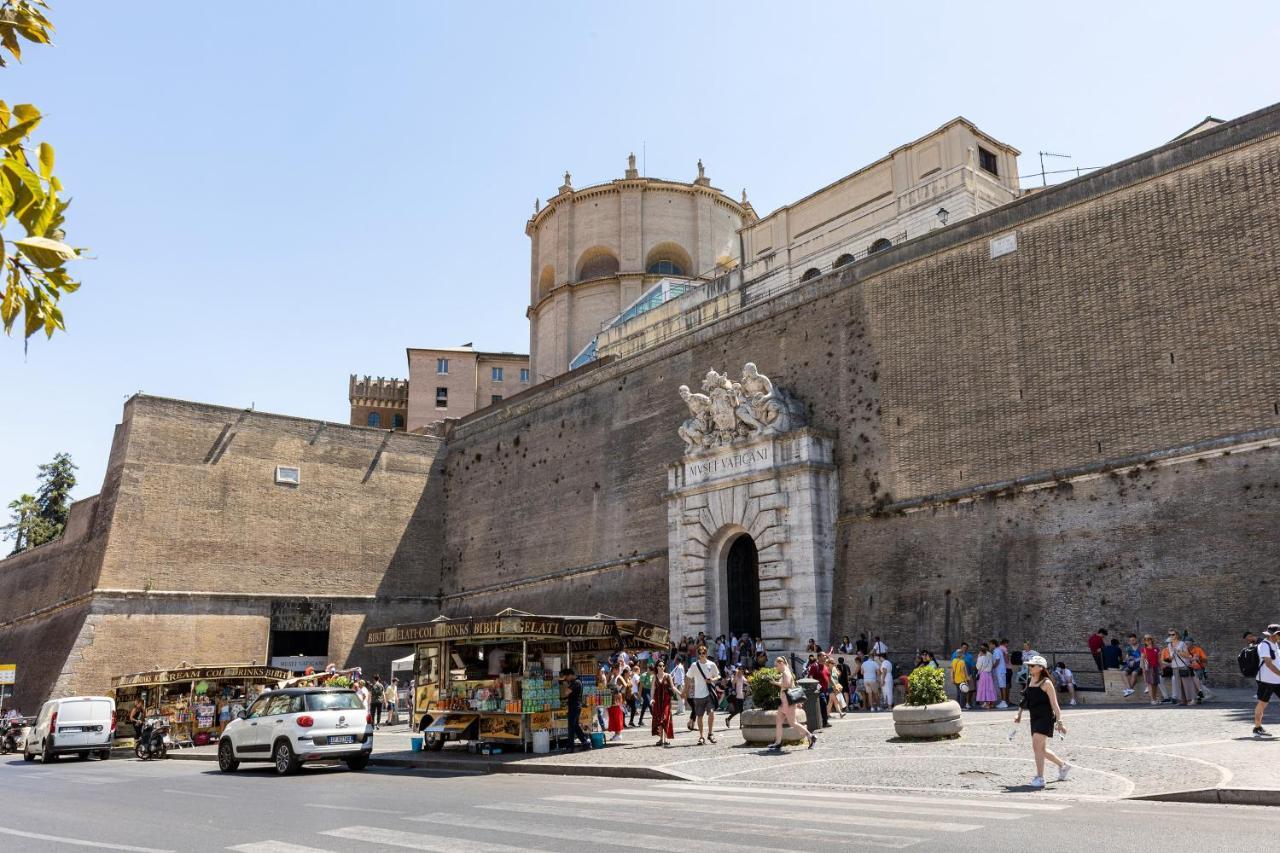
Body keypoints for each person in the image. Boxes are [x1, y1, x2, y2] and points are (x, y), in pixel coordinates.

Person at [1013, 655, 1070, 788]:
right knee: (1040, 749)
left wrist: (1060, 722)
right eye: (1029, 665)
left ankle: (1040, 778)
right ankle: (1063, 766)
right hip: (1034, 718)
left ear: (1040, 668)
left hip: (1045, 718)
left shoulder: (1046, 683)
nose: (1030, 667)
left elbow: (1055, 704)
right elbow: (1025, 699)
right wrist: (1019, 714)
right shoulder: (1029, 680)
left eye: (1032, 665)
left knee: (1036, 746)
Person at [768, 656, 816, 750]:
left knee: (793, 723)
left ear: (781, 663)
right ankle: (777, 742)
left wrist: (775, 683)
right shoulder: (786, 672)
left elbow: (787, 685)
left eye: (776, 665)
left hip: (787, 701)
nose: (776, 667)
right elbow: (791, 685)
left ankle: (811, 736)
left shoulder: (786, 672)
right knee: (779, 721)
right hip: (786, 701)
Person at [685, 645, 722, 745]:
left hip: (709, 693)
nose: (702, 655)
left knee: (711, 713)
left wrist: (712, 680)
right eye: (700, 653)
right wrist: (685, 691)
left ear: (706, 653)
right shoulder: (694, 665)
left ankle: (710, 734)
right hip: (698, 694)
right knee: (700, 716)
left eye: (704, 653)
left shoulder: (712, 664)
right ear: (698, 654)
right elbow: (688, 677)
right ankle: (701, 737)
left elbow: (718, 675)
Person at [1253, 624, 1280, 737]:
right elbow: (1268, 663)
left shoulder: (1276, 645)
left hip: (1277, 680)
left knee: (1263, 703)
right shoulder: (1264, 645)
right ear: (1274, 635)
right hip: (1266, 680)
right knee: (1263, 703)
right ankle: (1257, 727)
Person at [560, 668, 592, 752]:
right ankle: (585, 743)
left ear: (570, 675)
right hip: (574, 706)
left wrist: (564, 683)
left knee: (571, 726)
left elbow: (566, 692)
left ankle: (570, 747)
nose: (566, 679)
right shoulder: (575, 682)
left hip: (575, 707)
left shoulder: (576, 682)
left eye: (566, 677)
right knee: (575, 726)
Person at [1165, 629, 1198, 706]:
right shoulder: (1169, 645)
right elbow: (1171, 657)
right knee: (1178, 684)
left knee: (1187, 683)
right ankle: (1183, 700)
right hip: (1175, 666)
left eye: (1173, 634)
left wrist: (1179, 652)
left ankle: (1192, 699)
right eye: (1170, 635)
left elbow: (1187, 655)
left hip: (1183, 665)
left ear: (1177, 635)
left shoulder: (1182, 643)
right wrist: (1170, 656)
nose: (1171, 636)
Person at [651, 660, 676, 746]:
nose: (662, 667)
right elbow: (652, 689)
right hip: (657, 701)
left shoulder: (668, 676)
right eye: (660, 665)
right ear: (657, 667)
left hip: (666, 701)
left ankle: (665, 739)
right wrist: (651, 699)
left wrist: (680, 694)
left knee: (665, 718)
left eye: (663, 666)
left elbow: (673, 687)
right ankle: (661, 739)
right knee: (659, 720)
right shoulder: (655, 677)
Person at [1186, 635, 1214, 702]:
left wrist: (1199, 659)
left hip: (1198, 669)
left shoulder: (1198, 650)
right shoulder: (1184, 651)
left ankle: (1197, 696)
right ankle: (1200, 695)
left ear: (1192, 643)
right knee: (1195, 682)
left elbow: (1205, 660)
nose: (1186, 644)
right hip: (1188, 669)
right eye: (1185, 643)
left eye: (1187, 643)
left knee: (1195, 681)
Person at [808, 654, 831, 727]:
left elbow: (828, 677)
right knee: (823, 704)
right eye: (824, 656)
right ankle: (825, 722)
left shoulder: (826, 667)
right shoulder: (814, 666)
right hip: (818, 690)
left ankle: (822, 721)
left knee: (824, 705)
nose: (825, 657)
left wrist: (834, 685)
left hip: (825, 690)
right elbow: (810, 676)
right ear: (819, 657)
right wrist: (815, 687)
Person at [1140, 634, 1163, 704]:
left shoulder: (1156, 649)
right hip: (1148, 668)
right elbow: (1142, 660)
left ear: (1152, 640)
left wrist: (1161, 667)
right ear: (1144, 641)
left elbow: (1159, 659)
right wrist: (1143, 669)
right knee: (1150, 684)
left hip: (1155, 667)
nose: (1148, 641)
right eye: (1146, 640)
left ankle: (1155, 698)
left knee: (1155, 684)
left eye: (1149, 639)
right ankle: (1152, 699)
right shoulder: (1144, 649)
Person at [607, 668, 627, 740]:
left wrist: (619, 692)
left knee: (617, 716)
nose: (612, 670)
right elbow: (607, 684)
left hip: (617, 699)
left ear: (616, 669)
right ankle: (616, 733)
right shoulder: (613, 677)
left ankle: (618, 734)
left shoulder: (619, 677)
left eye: (613, 669)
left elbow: (625, 685)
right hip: (611, 699)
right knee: (613, 716)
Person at [974, 643, 996, 709]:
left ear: (981, 651)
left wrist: (979, 657)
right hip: (989, 674)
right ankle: (991, 704)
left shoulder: (981, 658)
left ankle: (986, 704)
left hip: (983, 674)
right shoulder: (989, 655)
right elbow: (992, 663)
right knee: (990, 688)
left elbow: (978, 667)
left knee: (984, 689)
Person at [950, 644, 971, 709]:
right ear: (961, 655)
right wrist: (967, 679)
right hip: (962, 679)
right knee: (962, 694)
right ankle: (962, 706)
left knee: (958, 693)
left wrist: (952, 678)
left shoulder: (953, 661)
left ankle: (958, 706)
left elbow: (952, 671)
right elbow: (964, 672)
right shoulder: (962, 662)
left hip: (956, 679)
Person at [994, 639, 1011, 709]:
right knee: (1004, 686)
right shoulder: (1003, 648)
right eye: (1007, 644)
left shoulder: (998, 649)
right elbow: (1007, 661)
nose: (1007, 645)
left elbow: (1003, 660)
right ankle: (1004, 701)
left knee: (1003, 686)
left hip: (1002, 670)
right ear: (1004, 643)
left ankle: (1004, 701)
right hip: (1005, 669)